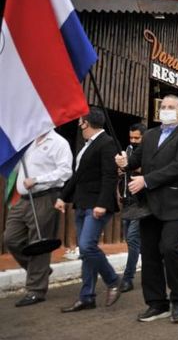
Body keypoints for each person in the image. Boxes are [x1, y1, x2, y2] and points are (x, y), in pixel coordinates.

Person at [115, 95, 178, 323]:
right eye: (163, 107)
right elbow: (135, 162)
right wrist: (125, 162)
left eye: (172, 107)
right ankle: (157, 303)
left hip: (175, 203)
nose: (167, 110)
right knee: (149, 252)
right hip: (149, 204)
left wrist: (146, 180)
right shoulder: (150, 136)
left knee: (170, 248)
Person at [55, 107, 121, 312]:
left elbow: (110, 176)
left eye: (80, 122)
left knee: (87, 246)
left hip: (97, 204)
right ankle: (87, 297)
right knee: (86, 252)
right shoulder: (87, 146)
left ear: (87, 123)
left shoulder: (106, 143)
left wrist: (102, 203)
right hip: (82, 204)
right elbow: (78, 176)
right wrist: (62, 197)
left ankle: (113, 280)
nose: (79, 125)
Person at [4, 130, 72, 307]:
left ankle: (36, 290)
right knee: (10, 238)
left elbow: (65, 172)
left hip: (44, 197)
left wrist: (38, 179)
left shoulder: (59, 143)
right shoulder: (28, 142)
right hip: (23, 199)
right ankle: (40, 271)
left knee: (39, 243)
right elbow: (18, 168)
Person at [118, 123, 146, 293]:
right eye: (131, 137)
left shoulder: (149, 151)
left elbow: (149, 169)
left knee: (133, 239)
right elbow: (121, 172)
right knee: (132, 241)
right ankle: (157, 262)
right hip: (127, 201)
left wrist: (129, 165)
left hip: (141, 202)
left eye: (137, 138)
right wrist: (120, 169)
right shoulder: (127, 150)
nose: (134, 141)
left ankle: (128, 279)